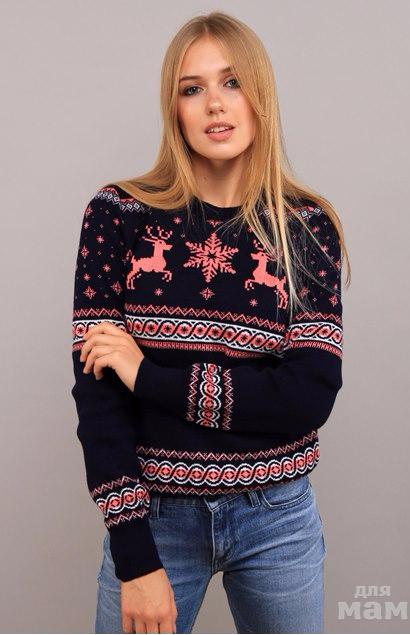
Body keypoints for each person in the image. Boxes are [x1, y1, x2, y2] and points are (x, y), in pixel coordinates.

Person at [71, 10, 351, 635]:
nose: (215, 105)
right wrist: (135, 557)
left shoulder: (306, 228)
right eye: (192, 88)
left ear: (260, 95)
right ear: (173, 108)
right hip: (155, 519)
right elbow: (98, 400)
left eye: (232, 82)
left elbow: (306, 398)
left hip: (277, 518)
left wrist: (148, 376)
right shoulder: (117, 216)